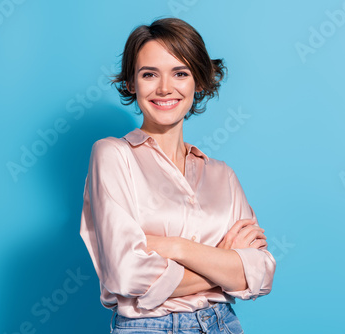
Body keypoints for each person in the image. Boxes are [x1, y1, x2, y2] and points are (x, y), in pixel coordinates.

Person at [80, 17, 276, 334]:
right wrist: (225, 262)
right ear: (131, 83)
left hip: (222, 324)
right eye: (149, 74)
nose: (165, 88)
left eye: (180, 73)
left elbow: (262, 272)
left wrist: (176, 248)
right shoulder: (113, 155)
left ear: (197, 82)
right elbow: (126, 276)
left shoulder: (222, 175)